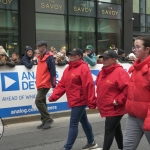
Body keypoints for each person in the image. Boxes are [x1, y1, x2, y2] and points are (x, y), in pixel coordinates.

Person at [48, 48, 98, 150]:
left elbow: (88, 86)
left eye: (74, 55)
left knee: (73, 124)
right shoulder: (68, 69)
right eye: (70, 54)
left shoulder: (83, 68)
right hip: (73, 99)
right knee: (84, 121)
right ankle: (91, 142)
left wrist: (91, 101)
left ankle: (67, 147)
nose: (71, 56)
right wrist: (54, 96)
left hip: (79, 100)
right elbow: (62, 85)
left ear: (80, 56)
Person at [96, 50, 130, 150]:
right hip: (108, 105)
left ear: (114, 59)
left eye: (107, 58)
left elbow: (127, 88)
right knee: (116, 129)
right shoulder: (102, 71)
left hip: (115, 107)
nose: (103, 60)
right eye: (103, 58)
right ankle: (121, 148)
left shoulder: (120, 72)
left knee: (109, 131)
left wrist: (118, 100)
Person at [123, 36, 150, 150]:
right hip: (133, 115)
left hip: (147, 117)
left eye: (138, 47)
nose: (134, 50)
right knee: (127, 147)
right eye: (134, 47)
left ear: (147, 49)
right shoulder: (135, 67)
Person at [35, 41, 56, 130]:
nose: (38, 48)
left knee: (38, 101)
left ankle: (48, 119)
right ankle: (44, 121)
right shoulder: (40, 57)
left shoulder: (49, 57)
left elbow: (53, 72)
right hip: (40, 82)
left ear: (44, 47)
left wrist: (54, 85)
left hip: (45, 83)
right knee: (42, 102)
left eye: (39, 47)